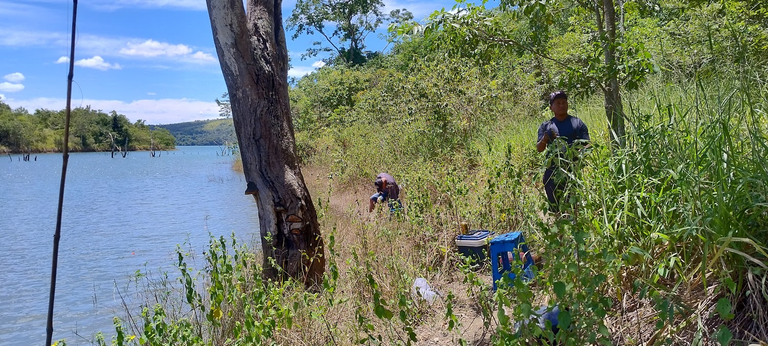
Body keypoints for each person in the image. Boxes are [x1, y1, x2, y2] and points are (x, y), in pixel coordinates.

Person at [536, 91, 590, 211]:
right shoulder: (546, 126)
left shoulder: (577, 123)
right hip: (552, 170)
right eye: (558, 103)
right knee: (554, 205)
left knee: (572, 204)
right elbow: (539, 149)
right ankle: (557, 224)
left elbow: (587, 145)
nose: (561, 105)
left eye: (564, 102)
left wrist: (578, 153)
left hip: (572, 169)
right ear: (551, 107)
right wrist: (545, 138)